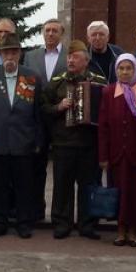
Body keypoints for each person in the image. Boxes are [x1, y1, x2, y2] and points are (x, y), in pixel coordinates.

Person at [0, 33, 43, 238]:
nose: (10, 56)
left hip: (24, 141)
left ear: (20, 53)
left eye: (14, 52)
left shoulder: (32, 77)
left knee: (24, 185)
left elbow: (38, 112)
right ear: (0, 54)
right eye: (6, 52)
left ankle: (23, 223)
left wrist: (38, 140)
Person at [42, 40, 106, 239]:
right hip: (63, 142)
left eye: (75, 57)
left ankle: (87, 224)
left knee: (88, 185)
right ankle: (62, 223)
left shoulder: (98, 81)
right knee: (62, 185)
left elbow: (106, 109)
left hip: (89, 143)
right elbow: (43, 107)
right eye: (69, 57)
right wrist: (58, 107)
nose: (70, 60)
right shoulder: (58, 81)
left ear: (86, 61)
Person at [98, 54, 136, 247]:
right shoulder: (109, 92)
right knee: (120, 192)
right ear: (116, 71)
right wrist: (104, 156)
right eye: (121, 68)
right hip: (117, 155)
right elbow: (104, 126)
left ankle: (133, 231)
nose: (125, 72)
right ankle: (120, 230)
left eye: (128, 68)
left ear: (135, 70)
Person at [24, 18, 66, 219]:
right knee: (36, 166)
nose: (50, 34)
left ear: (61, 34)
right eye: (47, 30)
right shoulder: (30, 57)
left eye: (54, 31)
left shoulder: (69, 57)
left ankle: (59, 213)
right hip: (37, 119)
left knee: (61, 169)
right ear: (42, 32)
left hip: (62, 120)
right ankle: (35, 210)